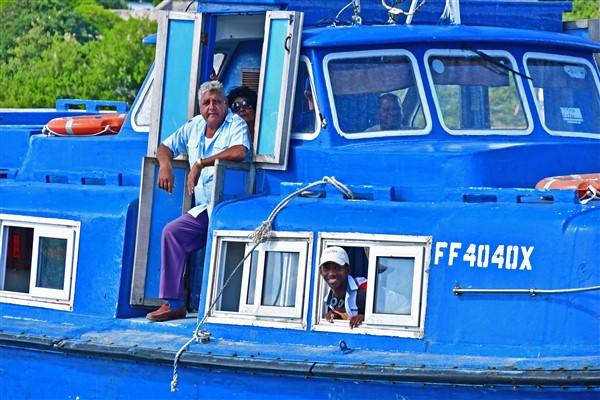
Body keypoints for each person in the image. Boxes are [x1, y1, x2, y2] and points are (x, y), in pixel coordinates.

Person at [146, 80, 251, 322]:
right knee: (172, 233)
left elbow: (240, 152)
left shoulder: (235, 123)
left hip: (229, 207)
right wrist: (165, 165)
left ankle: (210, 308)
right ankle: (174, 303)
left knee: (180, 236)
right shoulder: (194, 126)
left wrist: (201, 163)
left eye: (216, 102)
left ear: (225, 104)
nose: (211, 107)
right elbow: (165, 147)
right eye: (206, 103)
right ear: (200, 106)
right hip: (204, 209)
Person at [319, 246, 367, 329]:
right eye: (326, 268)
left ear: (347, 270)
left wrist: (367, 318)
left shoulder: (364, 288)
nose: (331, 273)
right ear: (320, 272)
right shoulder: (325, 298)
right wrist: (337, 317)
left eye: (337, 267)